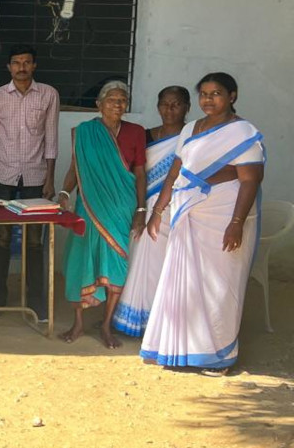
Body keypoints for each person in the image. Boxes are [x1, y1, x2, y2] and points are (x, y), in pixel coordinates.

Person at [142, 73, 264, 376]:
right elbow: (175, 173)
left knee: (219, 285)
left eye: (216, 93)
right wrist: (158, 210)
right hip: (188, 212)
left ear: (232, 96)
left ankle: (219, 356)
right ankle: (180, 350)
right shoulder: (190, 129)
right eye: (204, 94)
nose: (208, 99)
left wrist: (236, 223)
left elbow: (250, 181)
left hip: (223, 213)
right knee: (183, 282)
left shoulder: (243, 132)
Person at [56, 81, 147, 348]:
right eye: (112, 99)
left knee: (117, 263)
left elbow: (140, 173)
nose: (118, 104)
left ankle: (106, 325)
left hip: (122, 208)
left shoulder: (136, 132)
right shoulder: (85, 132)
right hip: (89, 206)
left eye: (122, 100)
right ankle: (78, 323)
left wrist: (141, 209)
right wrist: (64, 192)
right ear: (99, 104)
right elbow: (76, 168)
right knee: (82, 258)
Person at [0, 44, 59, 319]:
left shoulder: (48, 94)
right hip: (3, 174)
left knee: (34, 240)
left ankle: (35, 301)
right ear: (9, 67)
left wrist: (50, 178)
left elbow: (51, 139)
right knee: (1, 237)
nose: (21, 67)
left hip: (36, 175)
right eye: (16, 62)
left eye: (26, 62)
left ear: (34, 65)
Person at [112, 86, 191, 337]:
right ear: (158, 107)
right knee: (137, 259)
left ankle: (161, 322)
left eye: (176, 104)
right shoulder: (145, 136)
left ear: (187, 107)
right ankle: (132, 318)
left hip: (173, 210)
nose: (169, 109)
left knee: (164, 265)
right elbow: (135, 172)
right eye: (165, 104)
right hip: (142, 207)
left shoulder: (192, 137)